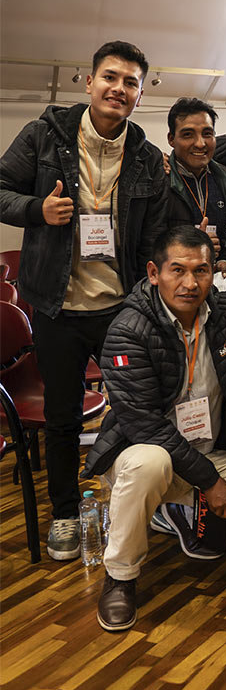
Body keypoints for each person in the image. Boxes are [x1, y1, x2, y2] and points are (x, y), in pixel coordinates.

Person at [82, 226, 226, 630]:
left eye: (202, 271)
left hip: (210, 451)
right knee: (149, 464)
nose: (190, 283)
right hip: (141, 452)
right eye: (178, 270)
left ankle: (172, 511)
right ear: (154, 273)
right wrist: (210, 483)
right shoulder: (127, 331)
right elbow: (146, 427)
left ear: (214, 273)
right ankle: (120, 577)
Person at [0, 40, 168, 561]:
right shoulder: (43, 135)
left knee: (138, 409)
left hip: (121, 308)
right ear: (89, 82)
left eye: (131, 82)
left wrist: (149, 294)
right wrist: (35, 209)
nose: (119, 88)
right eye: (110, 77)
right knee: (63, 415)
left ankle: (133, 501)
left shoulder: (146, 156)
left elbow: (153, 233)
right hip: (56, 306)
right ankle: (66, 513)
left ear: (140, 94)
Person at [165, 97, 226, 275]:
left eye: (207, 133)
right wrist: (190, 245)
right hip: (174, 280)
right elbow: (148, 238)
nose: (200, 143)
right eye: (188, 134)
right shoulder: (161, 179)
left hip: (219, 280)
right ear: (171, 139)